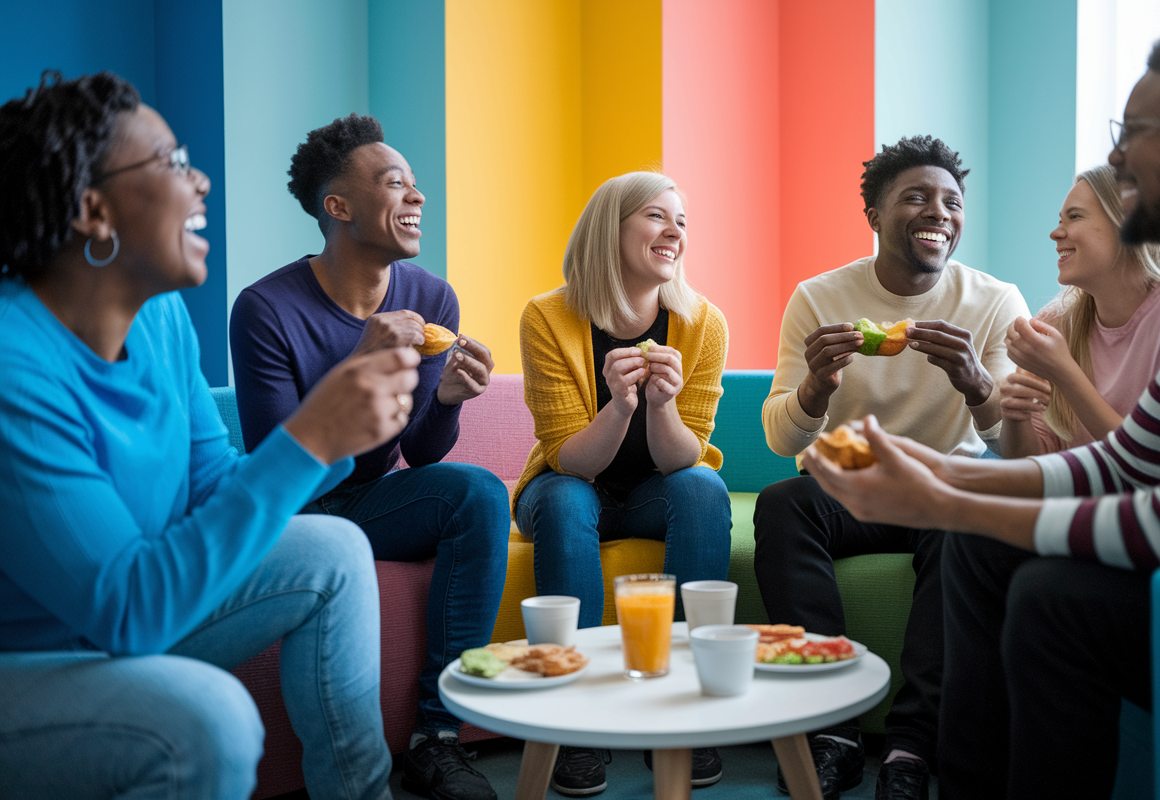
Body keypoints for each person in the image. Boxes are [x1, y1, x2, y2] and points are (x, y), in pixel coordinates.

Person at [801, 18, 1160, 800]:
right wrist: (947, 476)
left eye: (1137, 133)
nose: (1119, 158)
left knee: (1053, 599)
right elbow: (1133, 459)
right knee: (987, 556)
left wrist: (947, 500)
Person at [0, 71, 420, 800]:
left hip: (115, 623)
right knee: (207, 721)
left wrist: (338, 431)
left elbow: (215, 486)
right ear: (93, 211)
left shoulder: (159, 321)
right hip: (27, 658)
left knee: (337, 549)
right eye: (170, 162)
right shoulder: (14, 368)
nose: (199, 181)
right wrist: (310, 437)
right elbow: (129, 608)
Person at [229, 115, 509, 800]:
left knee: (475, 493)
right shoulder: (265, 308)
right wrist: (365, 361)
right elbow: (281, 465)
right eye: (395, 184)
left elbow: (420, 451)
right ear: (339, 206)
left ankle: (437, 738)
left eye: (417, 187)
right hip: (299, 508)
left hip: (369, 498)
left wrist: (444, 399)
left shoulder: (431, 298)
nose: (417, 198)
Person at [754, 135, 1029, 800]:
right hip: (851, 487)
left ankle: (912, 744)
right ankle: (833, 730)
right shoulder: (819, 298)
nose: (940, 212)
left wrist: (974, 383)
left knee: (967, 524)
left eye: (951, 202)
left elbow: (1016, 449)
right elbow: (780, 437)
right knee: (784, 502)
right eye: (917, 197)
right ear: (875, 215)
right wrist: (817, 385)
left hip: (942, 487)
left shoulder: (995, 302)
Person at [513, 171, 731, 796]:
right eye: (657, 217)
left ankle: (690, 709)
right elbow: (567, 458)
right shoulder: (548, 317)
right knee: (561, 497)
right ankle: (576, 717)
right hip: (569, 484)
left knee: (702, 490)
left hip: (651, 493)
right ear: (612, 229)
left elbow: (684, 459)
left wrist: (661, 406)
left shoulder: (702, 323)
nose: (675, 232)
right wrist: (618, 405)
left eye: (682, 221)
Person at [998, 164, 1160, 458]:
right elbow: (1032, 461)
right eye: (1059, 220)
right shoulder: (1054, 324)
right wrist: (1015, 418)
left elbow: (1152, 462)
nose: (1055, 233)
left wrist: (1063, 370)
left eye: (1074, 216)